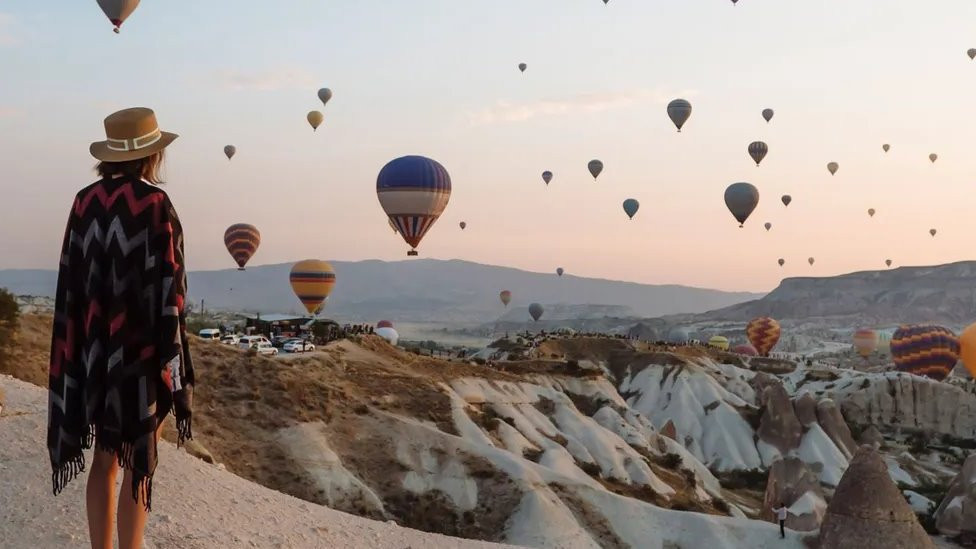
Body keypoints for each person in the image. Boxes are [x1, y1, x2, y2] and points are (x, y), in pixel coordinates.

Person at [47, 108, 194, 549]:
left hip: (93, 351)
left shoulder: (83, 201)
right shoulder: (154, 204)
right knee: (139, 463)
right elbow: (172, 288)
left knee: (103, 459)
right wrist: (173, 361)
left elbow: (71, 277)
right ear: (152, 157)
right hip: (141, 355)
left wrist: (80, 345)